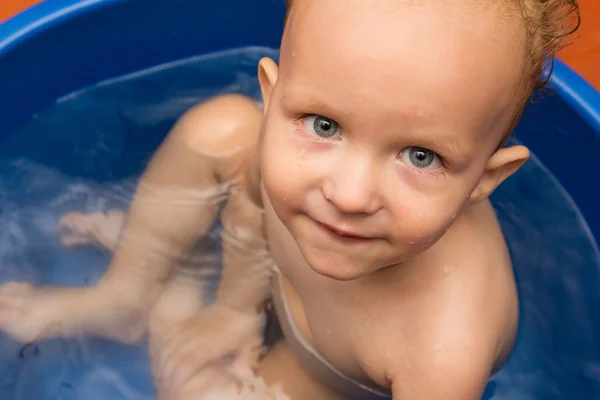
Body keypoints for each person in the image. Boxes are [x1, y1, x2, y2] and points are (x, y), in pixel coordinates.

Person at [0, 0, 580, 398]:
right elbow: (251, 206)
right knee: (220, 131)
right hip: (272, 281)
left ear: (484, 179)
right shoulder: (297, 172)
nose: (348, 194)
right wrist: (236, 305)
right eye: (324, 125)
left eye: (421, 157)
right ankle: (124, 294)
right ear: (273, 96)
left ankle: (171, 294)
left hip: (323, 374)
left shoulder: (441, 353)